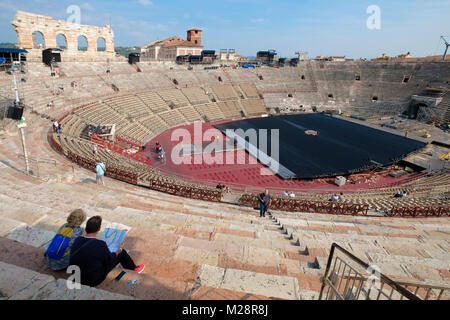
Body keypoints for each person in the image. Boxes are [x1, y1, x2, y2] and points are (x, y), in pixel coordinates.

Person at [69, 216, 144, 287]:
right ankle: (134, 269)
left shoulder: (77, 239)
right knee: (122, 252)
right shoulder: (100, 244)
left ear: (86, 228)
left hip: (75, 277)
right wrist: (119, 250)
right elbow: (110, 260)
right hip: (92, 280)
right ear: (99, 229)